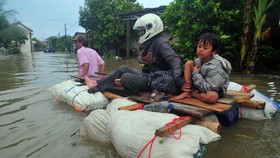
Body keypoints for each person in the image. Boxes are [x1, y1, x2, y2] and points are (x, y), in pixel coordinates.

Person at [85, 13, 185, 99]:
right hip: (148, 76)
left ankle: (117, 82)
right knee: (123, 69)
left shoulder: (161, 43)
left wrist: (180, 82)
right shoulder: (150, 42)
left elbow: (175, 61)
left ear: (151, 28)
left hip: (156, 80)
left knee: (125, 78)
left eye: (142, 30)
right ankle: (96, 84)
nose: (140, 33)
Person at [175, 33, 232, 104]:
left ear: (213, 52)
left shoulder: (216, 68)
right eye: (199, 46)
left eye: (205, 48)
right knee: (189, 63)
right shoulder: (199, 60)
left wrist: (196, 73)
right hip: (200, 85)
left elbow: (208, 87)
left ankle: (193, 94)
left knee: (212, 97)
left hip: (213, 89)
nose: (200, 50)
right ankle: (187, 91)